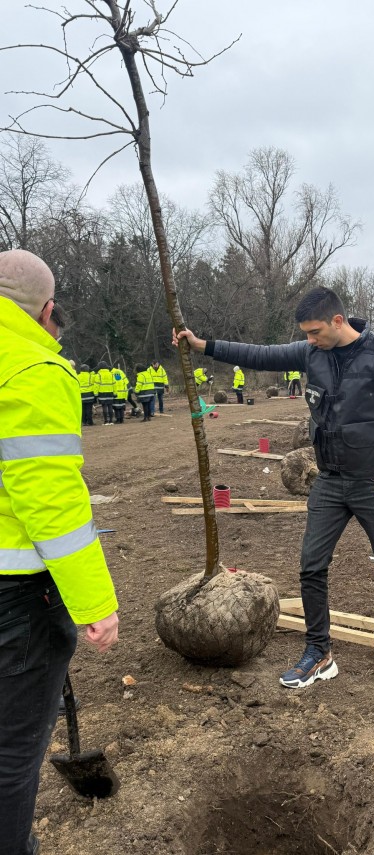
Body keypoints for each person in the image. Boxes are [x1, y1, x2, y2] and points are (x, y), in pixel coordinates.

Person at [174, 286, 374, 689]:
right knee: (311, 566)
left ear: (338, 321)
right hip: (328, 480)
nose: (310, 340)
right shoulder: (311, 352)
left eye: (315, 331)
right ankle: (318, 652)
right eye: (306, 334)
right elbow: (260, 354)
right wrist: (203, 345)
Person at [0, 249, 119, 855]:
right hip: (15, 596)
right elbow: (49, 500)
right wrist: (94, 603)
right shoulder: (32, 367)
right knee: (10, 756)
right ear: (47, 311)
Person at [95, 360, 115, 425]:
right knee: (110, 406)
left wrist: (96, 393)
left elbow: (96, 385)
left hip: (102, 392)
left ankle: (106, 421)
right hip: (110, 392)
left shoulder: (98, 375)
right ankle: (111, 420)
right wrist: (115, 392)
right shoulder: (111, 374)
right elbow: (114, 384)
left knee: (104, 406)